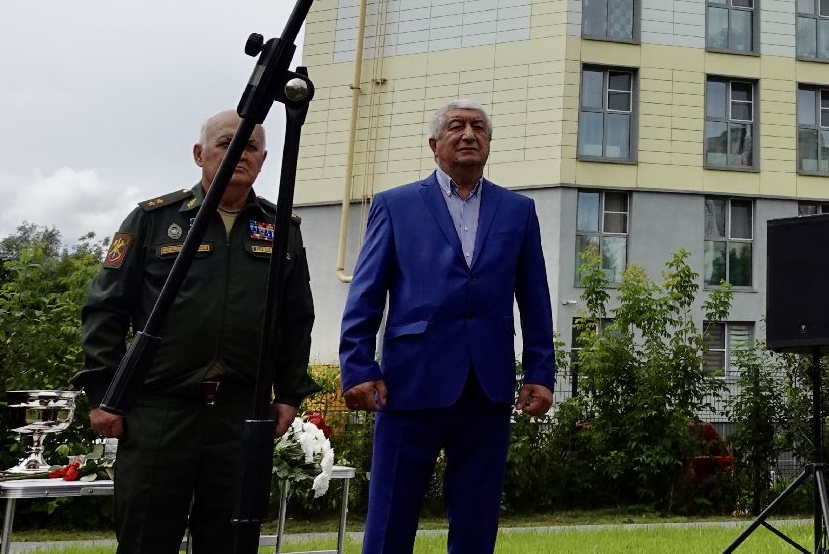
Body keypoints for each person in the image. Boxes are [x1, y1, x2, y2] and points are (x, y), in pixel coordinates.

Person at [76, 111, 320, 553]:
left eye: (250, 146)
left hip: (240, 413)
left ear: (263, 160)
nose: (239, 153)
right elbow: (105, 309)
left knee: (231, 541)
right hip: (158, 412)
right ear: (199, 154)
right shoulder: (153, 220)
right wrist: (104, 394)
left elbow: (297, 318)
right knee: (146, 538)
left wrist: (287, 394)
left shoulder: (282, 228)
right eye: (228, 142)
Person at [339, 99, 554, 554]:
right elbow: (366, 293)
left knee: (477, 522)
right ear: (435, 143)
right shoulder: (396, 205)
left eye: (479, 127)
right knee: (390, 517)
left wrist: (539, 371)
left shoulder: (518, 210)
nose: (469, 134)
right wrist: (358, 366)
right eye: (456, 126)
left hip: (487, 387)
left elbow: (535, 298)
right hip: (408, 383)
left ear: (490, 143)